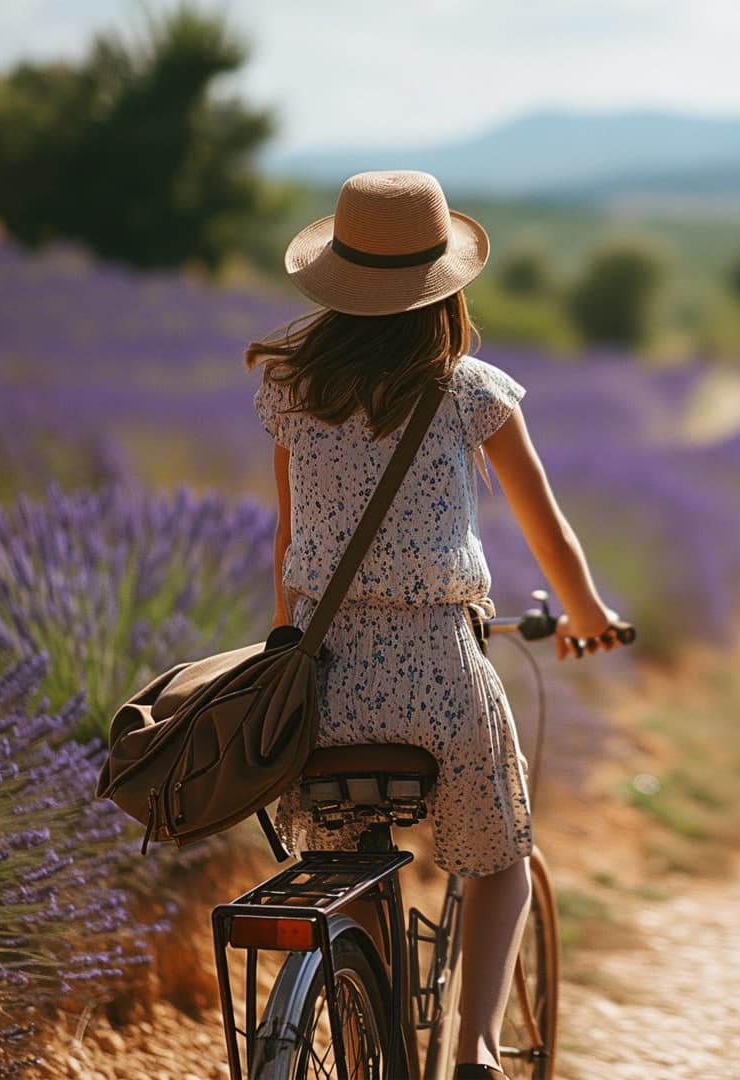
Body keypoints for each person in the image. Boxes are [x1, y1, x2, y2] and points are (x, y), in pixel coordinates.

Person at [248, 169, 630, 1080]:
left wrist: (285, 646)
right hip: (440, 679)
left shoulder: (293, 389)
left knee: (340, 866)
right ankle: (478, 1045)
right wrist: (588, 617)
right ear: (444, 288)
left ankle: (349, 1002)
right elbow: (550, 529)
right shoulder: (474, 391)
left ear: (337, 281)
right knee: (501, 855)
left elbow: (288, 541)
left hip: (325, 681)